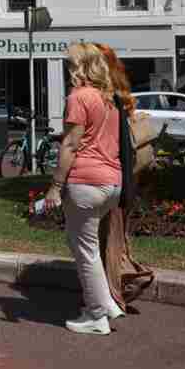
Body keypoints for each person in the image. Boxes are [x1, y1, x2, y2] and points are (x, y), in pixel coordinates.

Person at [43, 43, 124, 335]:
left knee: (85, 250)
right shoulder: (109, 99)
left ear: (79, 67)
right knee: (91, 249)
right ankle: (107, 304)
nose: (67, 68)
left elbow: (71, 144)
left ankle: (96, 315)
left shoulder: (79, 97)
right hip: (112, 182)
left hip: (85, 182)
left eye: (69, 63)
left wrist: (55, 186)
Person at [94, 43, 155, 314]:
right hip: (125, 178)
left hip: (112, 178)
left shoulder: (106, 98)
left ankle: (116, 294)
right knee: (116, 239)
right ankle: (115, 290)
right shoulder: (121, 94)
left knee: (110, 241)